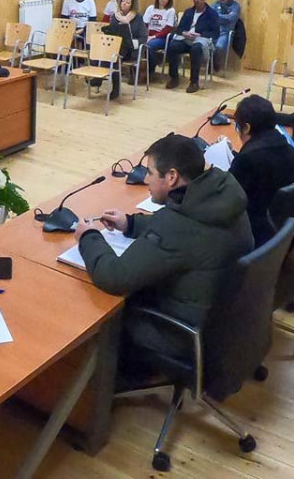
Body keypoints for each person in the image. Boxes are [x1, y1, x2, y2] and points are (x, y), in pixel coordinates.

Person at [74, 134, 252, 376]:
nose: (146, 179)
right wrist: (130, 223)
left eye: (150, 172)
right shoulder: (222, 197)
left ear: (171, 177)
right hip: (223, 323)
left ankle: (102, 394)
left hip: (181, 334)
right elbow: (181, 230)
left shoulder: (177, 226)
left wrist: (88, 237)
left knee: (104, 315)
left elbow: (114, 277)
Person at [228, 96, 294, 247]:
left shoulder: (247, 159)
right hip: (281, 226)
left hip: (254, 232)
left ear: (246, 127)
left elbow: (227, 199)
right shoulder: (285, 144)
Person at [166, 0, 219, 94]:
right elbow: (179, 29)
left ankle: (194, 82)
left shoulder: (212, 14)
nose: (196, 0)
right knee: (172, 47)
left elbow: (215, 33)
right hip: (186, 39)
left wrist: (200, 34)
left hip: (200, 40)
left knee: (195, 49)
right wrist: (184, 33)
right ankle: (174, 78)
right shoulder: (189, 12)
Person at [105, 0, 147, 99]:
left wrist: (132, 41)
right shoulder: (115, 16)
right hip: (117, 47)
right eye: (123, 1)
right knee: (109, 51)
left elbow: (143, 37)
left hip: (132, 50)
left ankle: (115, 89)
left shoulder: (138, 18)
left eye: (127, 2)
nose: (124, 4)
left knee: (115, 56)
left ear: (132, 5)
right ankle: (97, 77)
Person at [143, 0, 176, 76]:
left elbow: (168, 29)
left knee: (150, 46)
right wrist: (145, 35)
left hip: (162, 37)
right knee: (138, 43)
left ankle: (151, 69)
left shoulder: (170, 11)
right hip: (149, 35)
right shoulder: (151, 8)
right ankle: (138, 70)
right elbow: (144, 24)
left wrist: (154, 37)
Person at [211, 0, 240, 73]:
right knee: (203, 44)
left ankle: (215, 65)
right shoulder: (216, 4)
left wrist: (218, 16)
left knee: (219, 48)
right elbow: (211, 15)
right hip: (213, 31)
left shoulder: (235, 6)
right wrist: (224, 17)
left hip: (226, 33)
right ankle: (209, 65)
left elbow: (231, 18)